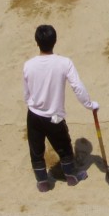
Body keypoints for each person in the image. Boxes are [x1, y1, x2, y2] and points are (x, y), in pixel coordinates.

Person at [22, 24, 98, 192]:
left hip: (33, 115)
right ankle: (71, 177)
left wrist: (34, 105)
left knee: (36, 149)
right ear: (55, 41)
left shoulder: (28, 65)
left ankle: (42, 182)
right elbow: (77, 87)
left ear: (37, 42)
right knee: (64, 147)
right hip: (55, 116)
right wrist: (90, 105)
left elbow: (26, 94)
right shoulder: (64, 63)